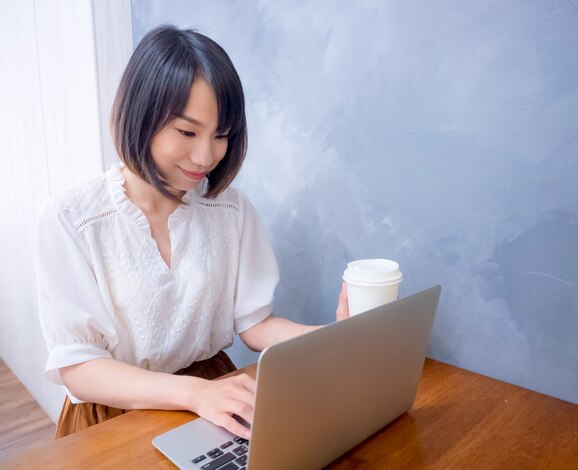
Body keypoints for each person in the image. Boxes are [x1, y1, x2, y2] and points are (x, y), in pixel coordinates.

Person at [35, 25, 349, 440]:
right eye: (187, 132)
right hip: (114, 415)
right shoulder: (73, 220)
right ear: (139, 114)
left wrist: (340, 339)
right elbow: (79, 369)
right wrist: (195, 393)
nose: (206, 156)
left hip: (215, 396)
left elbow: (255, 324)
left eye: (221, 136)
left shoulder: (229, 209)